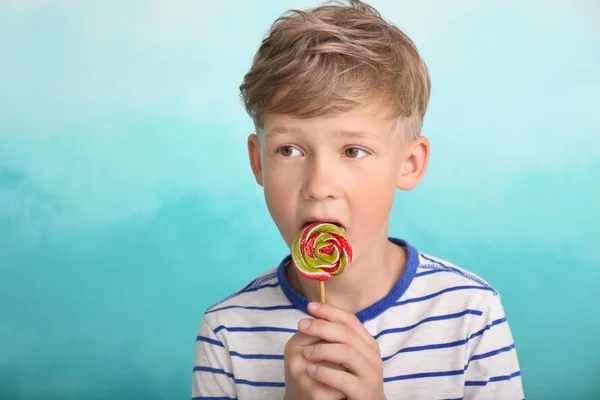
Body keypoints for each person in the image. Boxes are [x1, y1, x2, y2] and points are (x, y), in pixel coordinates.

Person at [192, 0, 525, 399]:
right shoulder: (227, 330)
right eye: (289, 150)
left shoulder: (470, 313)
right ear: (257, 162)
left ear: (409, 163)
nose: (319, 185)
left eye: (353, 151)